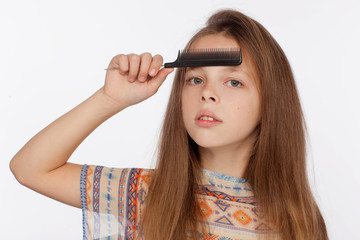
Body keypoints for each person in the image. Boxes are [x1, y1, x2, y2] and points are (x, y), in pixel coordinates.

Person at [10, 9, 328, 240]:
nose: (207, 93)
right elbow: (30, 169)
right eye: (195, 78)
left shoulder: (298, 224)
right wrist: (110, 99)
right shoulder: (147, 196)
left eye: (233, 82)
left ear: (271, 101)